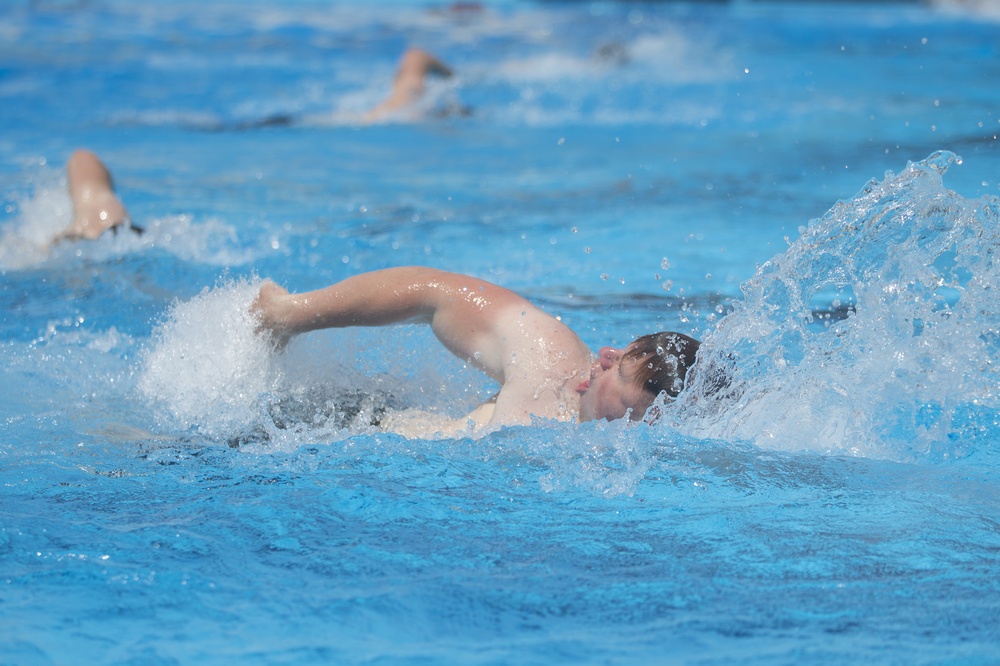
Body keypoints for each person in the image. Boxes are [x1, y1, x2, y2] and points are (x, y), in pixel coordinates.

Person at [58, 149, 702, 435]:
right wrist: (293, 315)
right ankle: (99, 214)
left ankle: (99, 218)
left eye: (635, 422)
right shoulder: (551, 358)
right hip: (323, 427)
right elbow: (432, 291)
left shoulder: (625, 451)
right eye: (617, 402)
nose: (618, 428)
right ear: (611, 357)